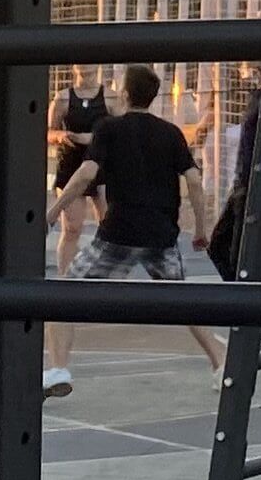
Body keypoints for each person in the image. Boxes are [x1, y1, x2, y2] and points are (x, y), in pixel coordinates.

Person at [60, 61, 221, 368]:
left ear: (124, 94)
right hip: (161, 235)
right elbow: (196, 181)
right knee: (184, 302)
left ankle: (58, 368)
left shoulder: (108, 128)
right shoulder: (171, 133)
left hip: (118, 234)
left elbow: (85, 174)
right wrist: (201, 229)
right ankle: (219, 360)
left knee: (60, 298)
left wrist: (54, 211)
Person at [40, 83, 109, 399]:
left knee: (109, 223)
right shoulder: (63, 97)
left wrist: (88, 139)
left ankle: (105, 276)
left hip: (98, 165)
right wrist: (62, 137)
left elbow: (114, 131)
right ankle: (66, 274)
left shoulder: (108, 97)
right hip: (71, 166)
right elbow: (50, 132)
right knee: (73, 227)